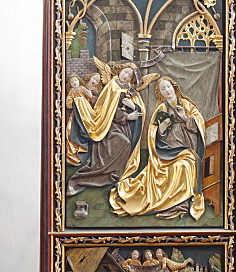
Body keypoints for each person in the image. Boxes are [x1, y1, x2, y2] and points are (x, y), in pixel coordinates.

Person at [110, 76, 206, 220]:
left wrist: (185, 118)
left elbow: (199, 125)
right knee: (173, 169)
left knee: (186, 164)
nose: (167, 90)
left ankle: (181, 203)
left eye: (168, 87)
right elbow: (154, 135)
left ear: (174, 87)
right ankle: (171, 203)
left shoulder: (186, 104)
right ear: (160, 93)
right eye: (163, 89)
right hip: (167, 150)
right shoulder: (162, 108)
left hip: (186, 148)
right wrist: (161, 128)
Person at [66, 64, 145, 196]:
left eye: (129, 76)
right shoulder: (112, 86)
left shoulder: (129, 89)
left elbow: (140, 108)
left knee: (126, 142)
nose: (126, 76)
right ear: (120, 71)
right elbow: (109, 109)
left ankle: (115, 173)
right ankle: (98, 174)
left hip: (122, 126)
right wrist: (126, 116)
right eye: (125, 72)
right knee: (124, 142)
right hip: (108, 125)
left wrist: (134, 106)